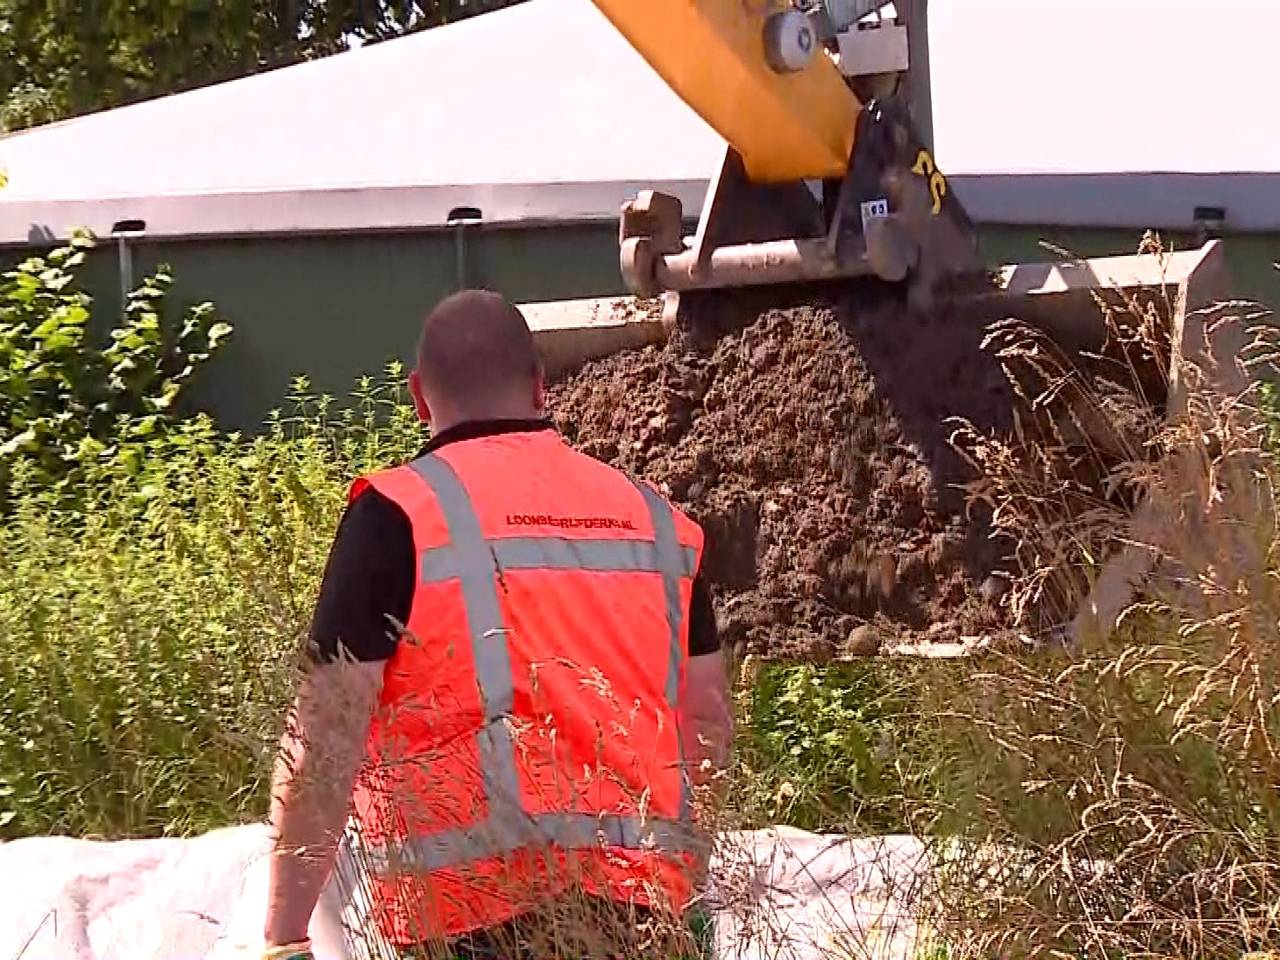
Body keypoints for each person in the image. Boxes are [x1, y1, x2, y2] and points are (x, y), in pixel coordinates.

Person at [263, 290, 733, 960]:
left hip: (470, 924)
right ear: (542, 388)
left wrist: (285, 935)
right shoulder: (658, 523)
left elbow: (327, 733)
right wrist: (688, 885)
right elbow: (707, 719)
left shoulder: (397, 517)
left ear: (419, 398)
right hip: (646, 917)